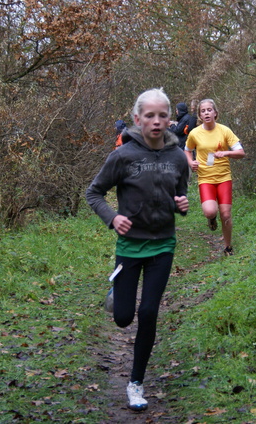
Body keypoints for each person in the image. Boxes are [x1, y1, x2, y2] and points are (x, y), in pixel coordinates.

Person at [86, 88, 189, 412]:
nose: (156, 122)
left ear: (169, 118)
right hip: (130, 245)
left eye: (162, 115)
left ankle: (136, 383)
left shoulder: (177, 157)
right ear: (137, 119)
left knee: (148, 313)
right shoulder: (123, 156)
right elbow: (94, 194)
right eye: (149, 116)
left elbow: (181, 196)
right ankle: (118, 291)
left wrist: (182, 205)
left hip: (163, 245)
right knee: (122, 317)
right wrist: (112, 217)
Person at [184, 98, 245, 256]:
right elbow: (187, 150)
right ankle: (211, 218)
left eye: (209, 110)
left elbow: (241, 153)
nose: (206, 113)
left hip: (224, 177)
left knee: (226, 214)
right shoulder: (194, 133)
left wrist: (226, 153)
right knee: (210, 211)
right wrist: (191, 163)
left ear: (215, 113)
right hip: (205, 178)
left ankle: (228, 247)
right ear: (199, 115)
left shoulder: (225, 130)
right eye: (203, 111)